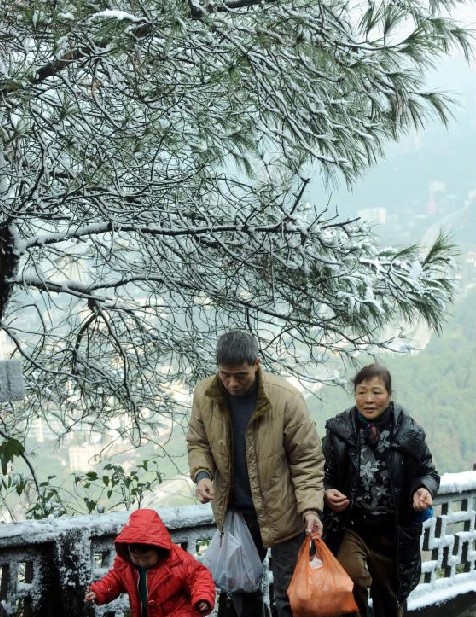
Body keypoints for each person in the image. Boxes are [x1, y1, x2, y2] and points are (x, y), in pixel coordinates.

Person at [186, 329, 324, 617]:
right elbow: (198, 442)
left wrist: (311, 508)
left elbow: (307, 460)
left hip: (285, 515)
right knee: (241, 592)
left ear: (257, 364)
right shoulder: (206, 394)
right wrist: (202, 475)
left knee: (290, 597)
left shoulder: (285, 399)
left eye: (241, 375)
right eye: (225, 375)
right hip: (237, 514)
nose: (232, 383)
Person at [322, 363, 439, 617]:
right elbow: (324, 475)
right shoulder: (339, 432)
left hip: (393, 531)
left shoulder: (408, 431)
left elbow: (427, 472)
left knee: (390, 602)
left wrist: (422, 488)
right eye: (361, 392)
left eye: (377, 392)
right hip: (352, 526)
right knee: (349, 581)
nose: (369, 400)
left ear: (389, 394)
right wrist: (327, 491)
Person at [84, 508, 216, 617]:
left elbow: (199, 576)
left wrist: (202, 597)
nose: (140, 562)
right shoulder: (127, 564)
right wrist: (99, 591)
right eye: (135, 557)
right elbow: (115, 579)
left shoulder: (178, 562)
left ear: (159, 549)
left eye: (146, 558)